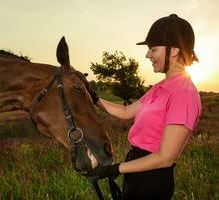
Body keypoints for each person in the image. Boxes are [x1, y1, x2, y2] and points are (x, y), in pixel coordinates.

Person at [86, 14, 201, 200]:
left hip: (152, 179)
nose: (148, 55)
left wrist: (115, 169)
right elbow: (125, 112)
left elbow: (165, 157)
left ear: (174, 50)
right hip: (137, 169)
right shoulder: (159, 87)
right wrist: (92, 97)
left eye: (153, 49)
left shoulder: (183, 93)